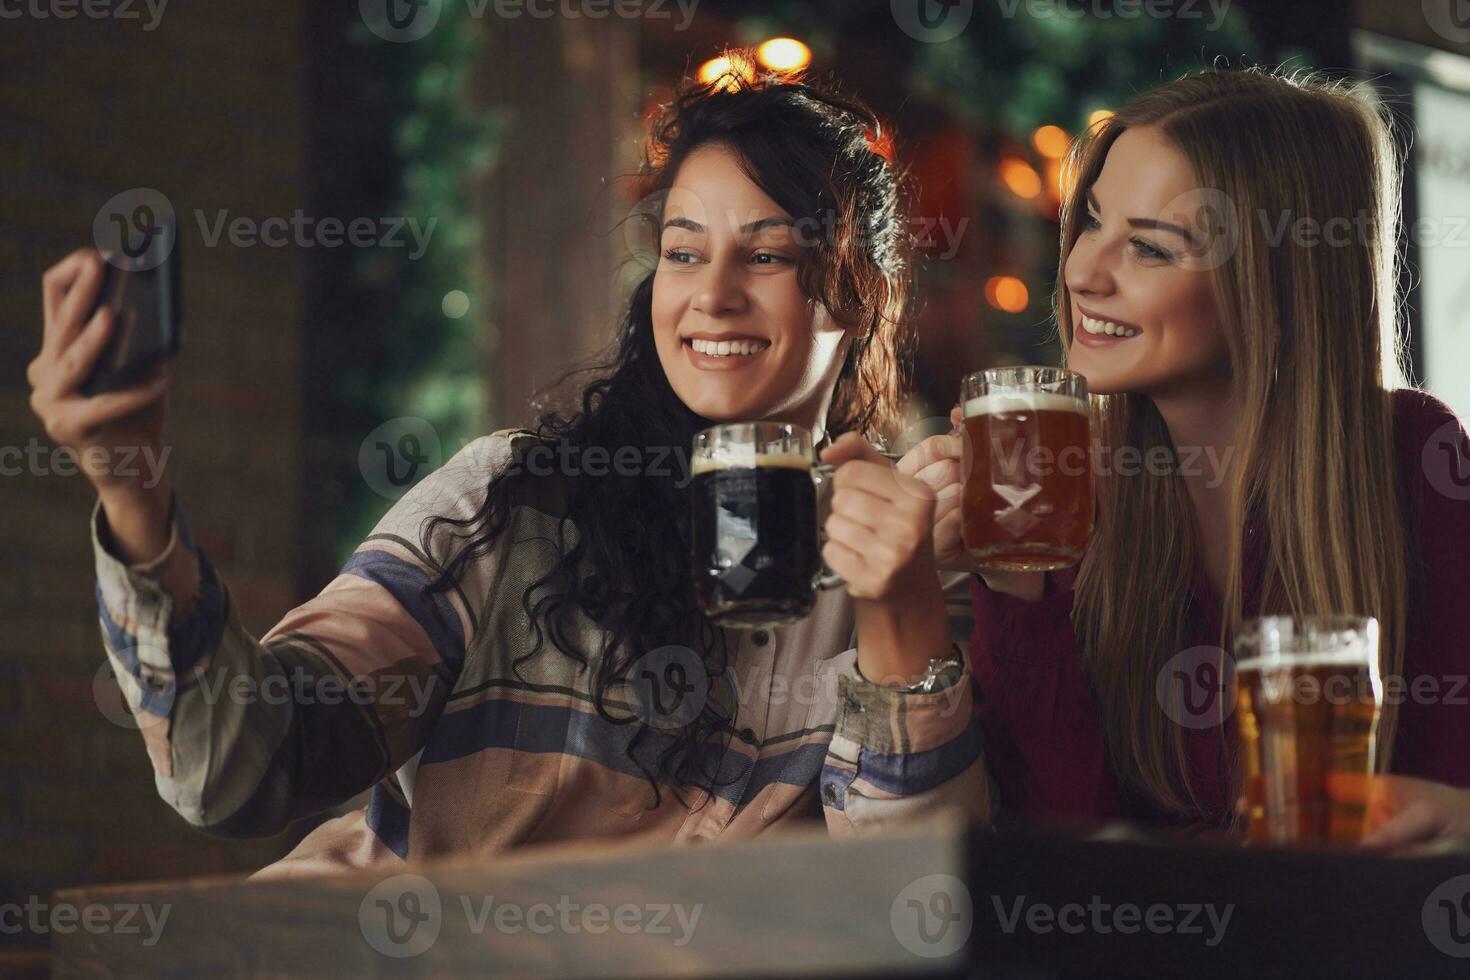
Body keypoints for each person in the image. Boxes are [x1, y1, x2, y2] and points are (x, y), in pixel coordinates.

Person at [27, 69, 989, 877]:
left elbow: (917, 897)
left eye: (768, 253)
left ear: (862, 294)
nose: (712, 295)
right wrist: (133, 494)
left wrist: (898, 613)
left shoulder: (909, 557)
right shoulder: (511, 503)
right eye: (683, 251)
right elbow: (238, 771)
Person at [903, 67, 1470, 845]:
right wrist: (1011, 582)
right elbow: (1070, 845)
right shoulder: (1070, 489)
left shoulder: (1415, 462)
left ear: (1273, 284)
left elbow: (1438, 809)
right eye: (1094, 220)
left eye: (1149, 248)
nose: (1080, 272)